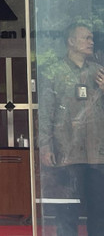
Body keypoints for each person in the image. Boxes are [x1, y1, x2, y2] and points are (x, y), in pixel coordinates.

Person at [39, 23, 104, 235]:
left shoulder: (99, 72)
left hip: (97, 154)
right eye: (86, 38)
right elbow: (46, 112)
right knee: (67, 211)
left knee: (99, 210)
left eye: (92, 38)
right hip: (66, 151)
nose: (91, 42)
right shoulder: (53, 72)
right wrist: (45, 145)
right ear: (71, 42)